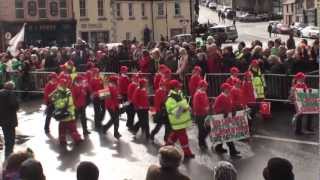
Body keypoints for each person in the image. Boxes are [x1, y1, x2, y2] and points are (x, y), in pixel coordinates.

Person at [165, 80, 194, 158]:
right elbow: (172, 109)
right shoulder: (171, 98)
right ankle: (187, 153)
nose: (180, 87)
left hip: (181, 120)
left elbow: (183, 103)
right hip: (177, 121)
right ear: (174, 87)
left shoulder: (179, 93)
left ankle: (167, 147)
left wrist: (188, 107)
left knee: (175, 135)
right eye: (178, 86)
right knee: (183, 137)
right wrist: (184, 109)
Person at [212, 83, 241, 158]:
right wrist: (223, 112)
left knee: (224, 134)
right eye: (228, 88)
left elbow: (230, 105)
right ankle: (233, 152)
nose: (230, 89)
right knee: (228, 136)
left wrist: (233, 110)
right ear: (224, 89)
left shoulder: (228, 96)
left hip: (228, 118)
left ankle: (218, 147)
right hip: (222, 119)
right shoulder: (220, 97)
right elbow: (215, 108)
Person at [51, 78, 82, 145]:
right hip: (68, 113)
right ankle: (77, 139)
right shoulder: (67, 91)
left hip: (62, 114)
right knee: (72, 128)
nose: (65, 85)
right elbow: (69, 102)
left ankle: (62, 140)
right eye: (64, 83)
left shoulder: (57, 92)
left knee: (62, 129)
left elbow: (54, 101)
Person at [0, 81, 19, 159]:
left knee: (7, 137)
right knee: (11, 139)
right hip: (10, 120)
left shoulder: (0, 93)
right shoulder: (11, 94)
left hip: (2, 119)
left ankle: (7, 155)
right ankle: (9, 156)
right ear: (12, 88)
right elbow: (14, 105)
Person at [192, 80, 210, 150]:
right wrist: (204, 108)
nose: (206, 87)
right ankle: (201, 142)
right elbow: (196, 106)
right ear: (201, 86)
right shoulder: (197, 94)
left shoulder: (204, 93)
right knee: (201, 129)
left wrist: (208, 107)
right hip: (199, 115)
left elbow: (207, 102)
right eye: (205, 86)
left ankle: (202, 140)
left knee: (208, 128)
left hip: (205, 114)